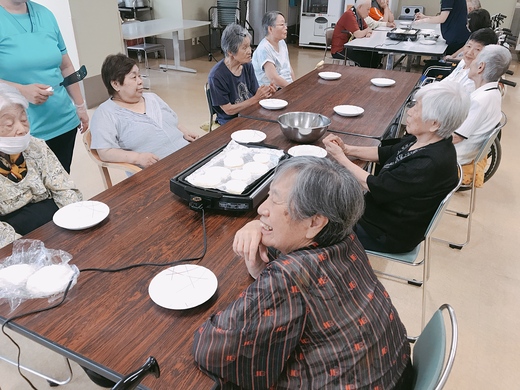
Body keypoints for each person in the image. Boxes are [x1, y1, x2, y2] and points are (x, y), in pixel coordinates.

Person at [193, 157, 414, 389]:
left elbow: (214, 350)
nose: (261, 209)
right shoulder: (345, 237)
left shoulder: (288, 277)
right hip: (396, 371)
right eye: (268, 195)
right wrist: (259, 235)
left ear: (314, 222)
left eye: (275, 200)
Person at [324, 82, 470, 253]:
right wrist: (348, 149)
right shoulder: (426, 139)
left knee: (315, 218)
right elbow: (385, 152)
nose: (410, 111)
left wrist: (340, 158)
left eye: (417, 108)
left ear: (434, 124)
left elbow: (375, 186)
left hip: (385, 234)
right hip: (379, 214)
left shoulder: (429, 163)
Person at [0, 0, 89, 173]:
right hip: (20, 130)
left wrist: (80, 106)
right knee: (32, 191)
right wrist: (22, 90)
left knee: (60, 181)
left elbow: (66, 66)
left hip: (63, 122)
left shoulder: (45, 14)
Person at [0, 84, 82, 249]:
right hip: (16, 242)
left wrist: (74, 222)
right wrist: (26, 248)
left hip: (57, 223)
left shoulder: (35, 146)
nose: (22, 129)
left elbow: (63, 187)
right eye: (9, 124)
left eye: (24, 120)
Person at [90, 54, 198, 168]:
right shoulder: (106, 113)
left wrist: (184, 131)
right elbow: (105, 152)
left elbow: (173, 122)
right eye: (134, 77)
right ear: (116, 84)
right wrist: (137, 157)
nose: (140, 81)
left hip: (189, 155)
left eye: (140, 76)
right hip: (160, 171)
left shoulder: (152, 98)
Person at [453, 45, 512, 187]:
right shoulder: (492, 92)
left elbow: (455, 137)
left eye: (476, 58)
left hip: (457, 156)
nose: (471, 60)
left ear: (480, 67)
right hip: (467, 150)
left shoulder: (481, 101)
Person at [209, 24, 276, 125]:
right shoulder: (217, 76)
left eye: (249, 46)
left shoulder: (247, 66)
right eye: (244, 48)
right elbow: (229, 110)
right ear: (230, 52)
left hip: (250, 113)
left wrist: (267, 92)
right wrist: (256, 98)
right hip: (230, 121)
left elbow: (255, 92)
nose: (250, 51)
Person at [441, 28, 498, 93]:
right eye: (469, 46)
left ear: (487, 54)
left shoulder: (475, 78)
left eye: (477, 49)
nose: (469, 52)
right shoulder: (464, 62)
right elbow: (448, 80)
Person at [331, 0, 382, 68]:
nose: (369, 12)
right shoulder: (349, 14)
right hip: (340, 50)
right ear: (360, 7)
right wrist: (365, 32)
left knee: (374, 53)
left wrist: (366, 32)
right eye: (367, 9)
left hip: (350, 47)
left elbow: (368, 29)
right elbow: (358, 34)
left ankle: (373, 71)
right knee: (365, 58)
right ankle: (364, 75)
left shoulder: (360, 17)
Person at [252, 11, 295, 88]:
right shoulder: (264, 49)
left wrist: (295, 84)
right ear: (270, 29)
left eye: (285, 24)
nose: (286, 27)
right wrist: (292, 88)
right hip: (273, 91)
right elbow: (274, 79)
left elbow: (288, 68)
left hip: (286, 87)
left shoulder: (282, 42)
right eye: (282, 25)